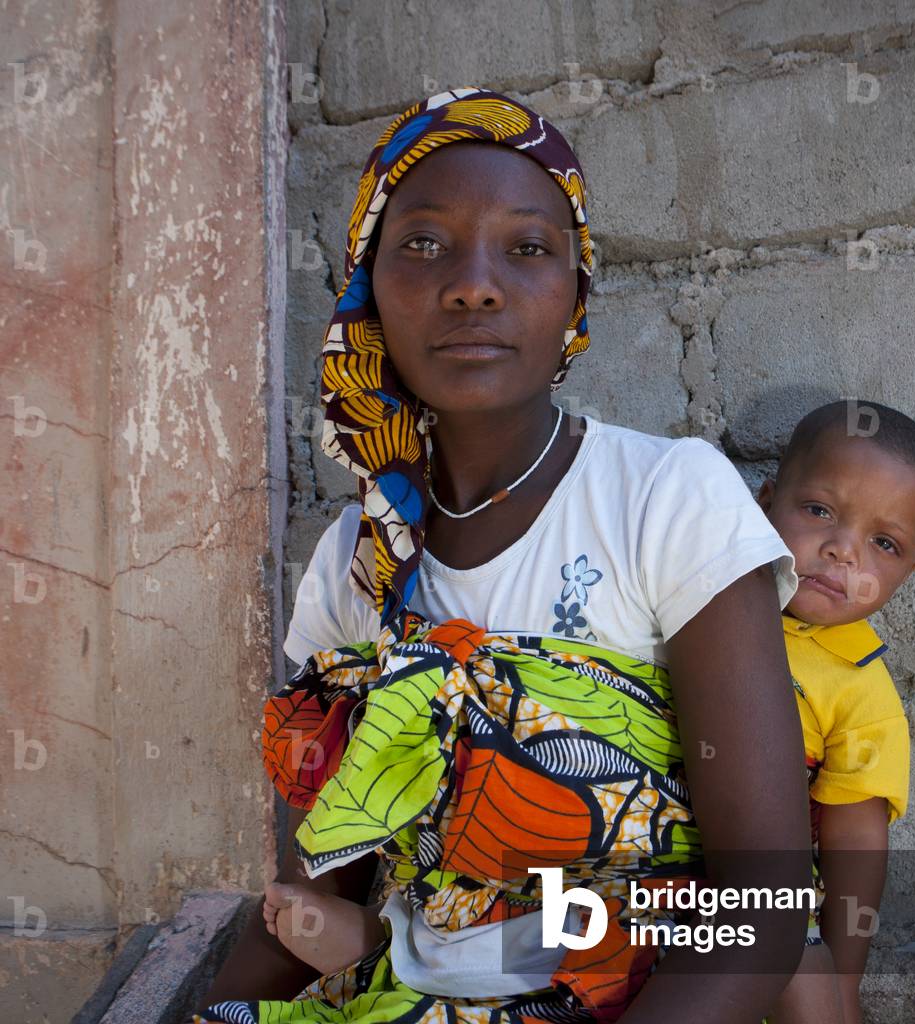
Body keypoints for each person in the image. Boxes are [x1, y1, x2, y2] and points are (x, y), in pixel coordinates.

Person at [198, 87, 811, 1024]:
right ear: (367, 287)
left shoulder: (665, 499)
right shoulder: (356, 561)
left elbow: (762, 906)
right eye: (423, 244)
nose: (473, 286)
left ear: (574, 291)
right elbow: (314, 895)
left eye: (526, 249)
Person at [757, 401, 915, 1024]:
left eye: (884, 543)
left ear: (909, 572)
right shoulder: (691, 603)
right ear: (765, 502)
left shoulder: (861, 690)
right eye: (819, 511)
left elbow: (855, 844)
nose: (843, 551)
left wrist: (841, 987)